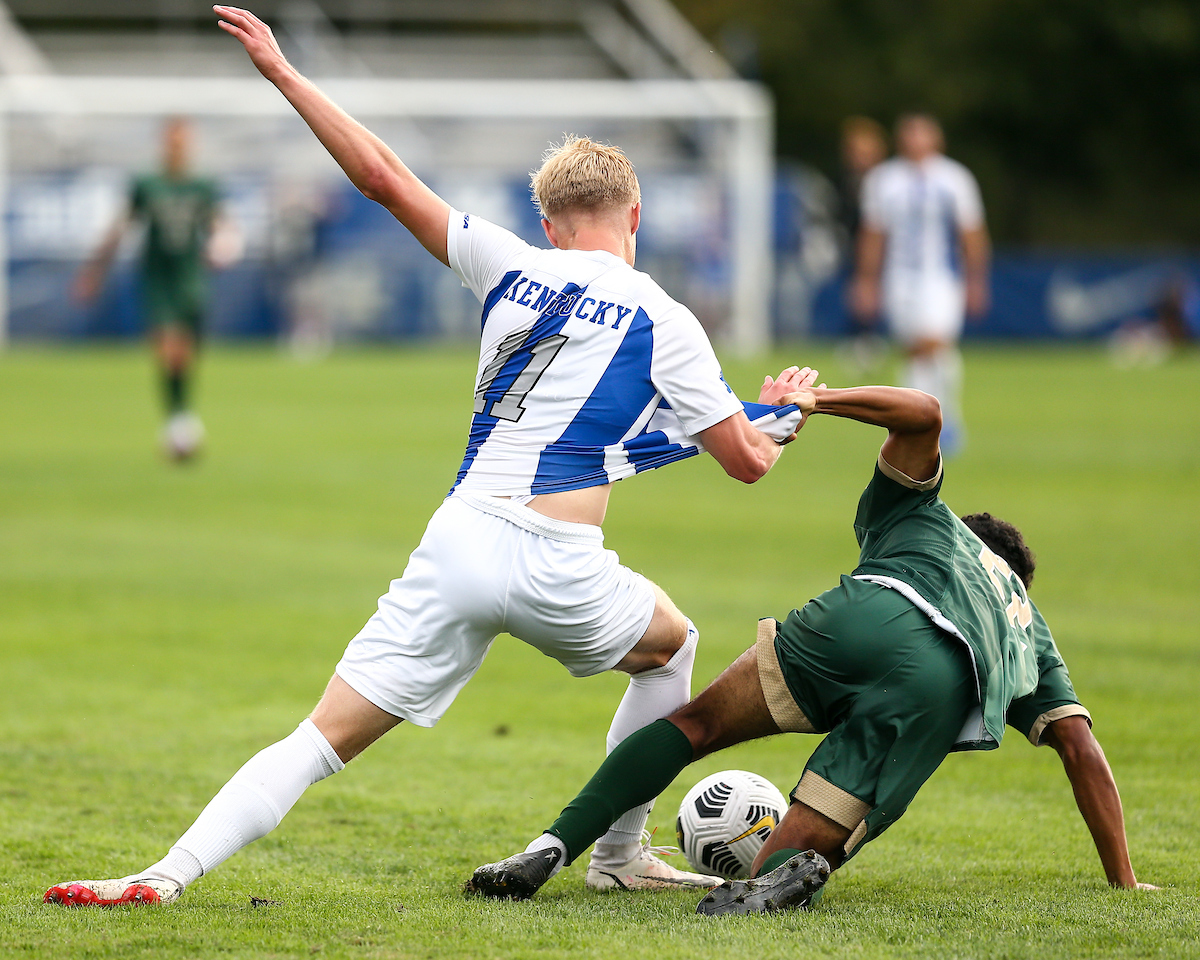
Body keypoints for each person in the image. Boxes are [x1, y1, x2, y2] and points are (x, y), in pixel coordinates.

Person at [43, 5, 811, 908]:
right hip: (559, 564)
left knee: (320, 737)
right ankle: (618, 854)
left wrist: (284, 72)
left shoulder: (509, 264)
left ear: (550, 221)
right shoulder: (667, 318)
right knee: (671, 643)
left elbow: (378, 175)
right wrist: (786, 410)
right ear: (634, 215)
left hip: (456, 544)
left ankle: (160, 875)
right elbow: (746, 461)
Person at [467, 383, 1157, 913]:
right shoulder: (1027, 627)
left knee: (692, 725)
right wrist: (1122, 880)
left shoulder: (926, 514)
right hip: (933, 687)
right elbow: (1081, 750)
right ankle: (773, 881)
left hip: (861, 617)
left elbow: (922, 410)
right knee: (788, 865)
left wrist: (814, 401)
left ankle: (552, 847)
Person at [75, 117, 235, 460]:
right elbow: (119, 228)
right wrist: (93, 272)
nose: (177, 146)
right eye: (172, 140)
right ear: (164, 144)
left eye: (183, 140)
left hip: (190, 277)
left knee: (185, 353)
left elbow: (221, 225)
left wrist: (223, 246)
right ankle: (179, 424)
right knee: (168, 346)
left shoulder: (203, 185)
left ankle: (181, 416)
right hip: (157, 278)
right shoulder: (147, 184)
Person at [851, 113, 990, 454]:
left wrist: (976, 280)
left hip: (941, 276)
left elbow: (971, 232)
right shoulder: (884, 180)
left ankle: (946, 414)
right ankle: (915, 422)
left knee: (935, 341)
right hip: (899, 278)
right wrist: (866, 281)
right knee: (914, 349)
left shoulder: (954, 178)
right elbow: (873, 233)